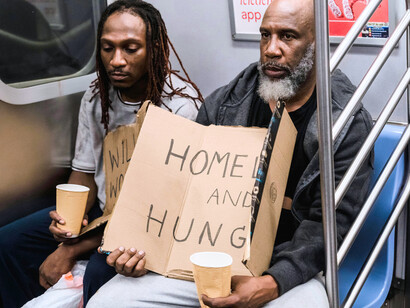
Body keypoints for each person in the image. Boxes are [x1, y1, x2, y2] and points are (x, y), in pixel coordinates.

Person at [86, 0, 373, 307]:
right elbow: (181, 192)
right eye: (265, 35)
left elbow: (329, 226)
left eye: (287, 36)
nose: (271, 49)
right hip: (214, 255)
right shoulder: (229, 101)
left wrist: (273, 282)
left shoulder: (344, 123)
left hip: (290, 269)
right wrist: (145, 248)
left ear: (317, 44)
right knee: (108, 301)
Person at [0, 1, 203, 307]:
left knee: (98, 273)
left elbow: (163, 213)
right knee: (7, 244)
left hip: (145, 224)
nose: (116, 60)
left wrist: (71, 250)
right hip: (99, 213)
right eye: (107, 48)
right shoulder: (97, 96)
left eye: (130, 48)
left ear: (155, 49)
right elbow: (83, 172)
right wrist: (68, 218)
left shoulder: (179, 108)